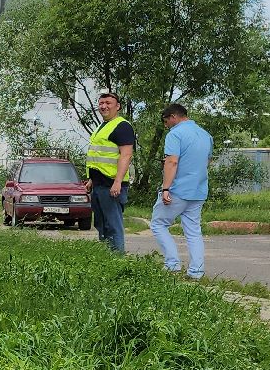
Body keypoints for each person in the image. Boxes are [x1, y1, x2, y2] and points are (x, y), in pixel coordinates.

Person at [150, 102, 213, 280]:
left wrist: (165, 188)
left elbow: (172, 162)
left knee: (158, 224)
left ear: (173, 117)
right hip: (199, 190)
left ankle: (172, 265)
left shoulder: (175, 134)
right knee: (193, 231)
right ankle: (196, 272)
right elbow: (207, 161)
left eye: (166, 121)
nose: (166, 125)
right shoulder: (205, 134)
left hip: (178, 190)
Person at [86, 91, 135, 251]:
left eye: (108, 103)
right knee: (101, 223)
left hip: (112, 185)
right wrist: (92, 179)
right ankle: (107, 255)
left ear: (118, 106)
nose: (104, 106)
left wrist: (118, 181)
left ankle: (117, 259)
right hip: (99, 185)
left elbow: (126, 155)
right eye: (101, 103)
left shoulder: (122, 126)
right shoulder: (102, 126)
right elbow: (99, 155)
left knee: (113, 225)